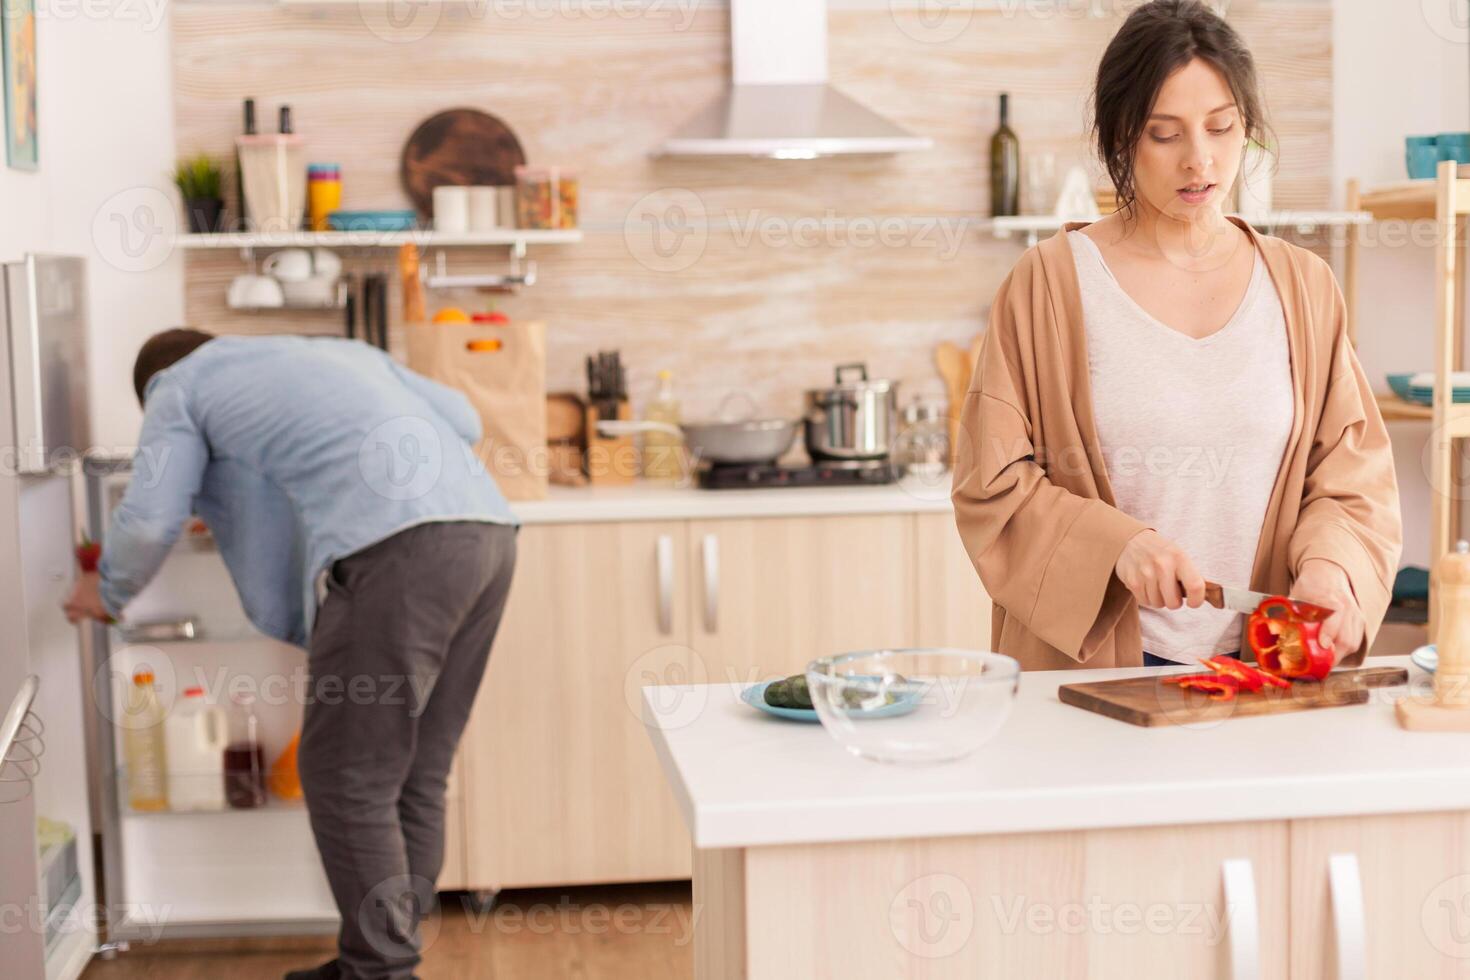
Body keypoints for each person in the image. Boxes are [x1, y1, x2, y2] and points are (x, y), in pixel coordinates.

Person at [951, 0, 1402, 670]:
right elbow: (991, 485)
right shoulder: (1047, 285)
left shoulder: (1303, 287)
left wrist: (1332, 568)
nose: (1200, 161)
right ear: (1121, 138)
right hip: (1095, 676)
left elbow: (1350, 476)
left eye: (1221, 128)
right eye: (1165, 135)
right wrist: (1114, 546)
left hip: (1264, 669)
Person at [64, 329, 519, 980]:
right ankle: (378, 956)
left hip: (398, 554)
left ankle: (384, 969)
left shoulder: (178, 385)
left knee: (344, 775)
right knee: (417, 767)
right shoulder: (331, 351)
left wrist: (106, 590)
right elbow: (465, 420)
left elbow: (147, 518)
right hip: (487, 535)